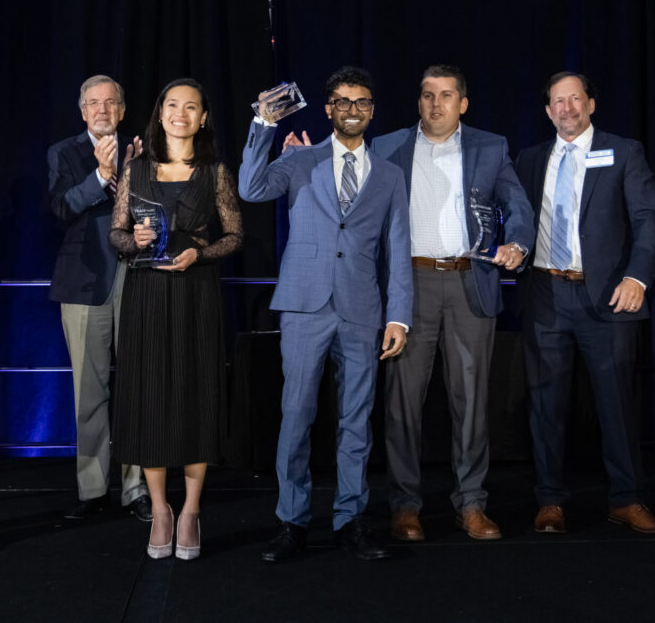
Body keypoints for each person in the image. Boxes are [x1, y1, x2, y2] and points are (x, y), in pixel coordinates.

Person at [239, 66, 412, 562]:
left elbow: (397, 251)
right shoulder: (300, 160)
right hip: (304, 305)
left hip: (362, 311)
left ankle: (351, 520)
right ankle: (291, 521)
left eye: (361, 102)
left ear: (372, 110)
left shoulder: (390, 175)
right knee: (296, 416)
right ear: (329, 108)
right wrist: (263, 126)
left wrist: (399, 315)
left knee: (356, 421)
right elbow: (251, 189)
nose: (352, 109)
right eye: (342, 101)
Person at [371, 65, 535, 542]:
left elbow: (519, 206)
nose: (435, 104)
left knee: (471, 401)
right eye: (427, 95)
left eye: (445, 96)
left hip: (470, 282)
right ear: (418, 101)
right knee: (402, 402)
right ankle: (404, 506)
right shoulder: (387, 148)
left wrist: (518, 245)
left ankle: (472, 503)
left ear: (463, 103)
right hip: (408, 286)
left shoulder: (490, 146)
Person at [514, 72, 655, 534]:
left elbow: (648, 220)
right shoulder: (529, 159)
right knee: (545, 405)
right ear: (547, 111)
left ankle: (626, 499)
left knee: (615, 404)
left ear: (591, 104)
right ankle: (549, 503)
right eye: (557, 102)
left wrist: (638, 276)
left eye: (574, 99)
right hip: (544, 294)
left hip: (607, 297)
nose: (566, 108)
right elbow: (515, 219)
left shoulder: (624, 151)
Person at [110, 78, 243, 560]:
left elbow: (234, 235)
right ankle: (160, 509)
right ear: (160, 112)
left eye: (191, 107)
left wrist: (200, 254)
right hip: (146, 295)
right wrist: (134, 242)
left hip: (196, 295)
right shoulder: (137, 170)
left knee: (196, 392)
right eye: (172, 105)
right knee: (150, 396)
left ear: (203, 117)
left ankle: (190, 510)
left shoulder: (216, 172)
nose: (180, 113)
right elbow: (116, 234)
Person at [47, 75, 151, 522]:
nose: (103, 109)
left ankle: (137, 489)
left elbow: (158, 208)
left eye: (111, 102)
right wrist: (102, 175)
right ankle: (92, 490)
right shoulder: (64, 152)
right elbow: (62, 208)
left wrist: (138, 183)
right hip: (85, 282)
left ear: (122, 110)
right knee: (88, 392)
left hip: (138, 277)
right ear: (83, 111)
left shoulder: (143, 150)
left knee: (137, 388)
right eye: (93, 103)